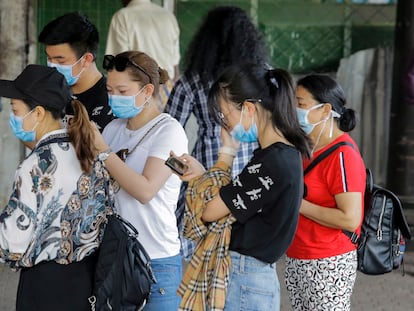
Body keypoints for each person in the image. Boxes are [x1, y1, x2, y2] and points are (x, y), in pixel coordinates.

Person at [173, 63, 311, 311]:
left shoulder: (270, 162)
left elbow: (210, 211)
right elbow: (236, 196)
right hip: (254, 276)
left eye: (225, 115)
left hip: (245, 278)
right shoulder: (283, 154)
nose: (225, 125)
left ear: (249, 108)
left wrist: (226, 154)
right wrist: (203, 174)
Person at [0, 64, 112, 311]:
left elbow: (13, 243)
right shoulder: (90, 153)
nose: (12, 116)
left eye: (15, 110)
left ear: (38, 113)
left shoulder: (34, 166)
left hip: (44, 287)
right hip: (87, 281)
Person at [164, 6, 270, 259]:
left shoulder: (193, 79)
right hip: (254, 167)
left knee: (201, 244)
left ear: (205, 41)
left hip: (205, 168)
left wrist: (181, 173)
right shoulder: (262, 74)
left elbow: (166, 130)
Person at [92, 51, 188, 310]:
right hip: (116, 254)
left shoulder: (170, 132)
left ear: (147, 91)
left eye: (122, 91)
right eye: (110, 90)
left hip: (156, 261)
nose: (113, 98)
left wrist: (104, 152)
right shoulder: (113, 129)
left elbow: (146, 190)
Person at [285, 74, 366, 311]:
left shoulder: (343, 155)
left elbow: (351, 219)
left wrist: (298, 204)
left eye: (301, 104)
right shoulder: (306, 147)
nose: (294, 110)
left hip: (328, 262)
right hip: (298, 257)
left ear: (325, 110)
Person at [38, 11, 114, 132]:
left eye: (60, 61)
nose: (52, 66)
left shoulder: (111, 101)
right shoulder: (50, 93)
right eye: (49, 58)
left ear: (86, 59)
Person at [105, 0, 180, 107]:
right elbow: (175, 65)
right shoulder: (168, 16)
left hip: (139, 89)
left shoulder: (122, 16)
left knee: (140, 123)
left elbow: (118, 63)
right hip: (168, 89)